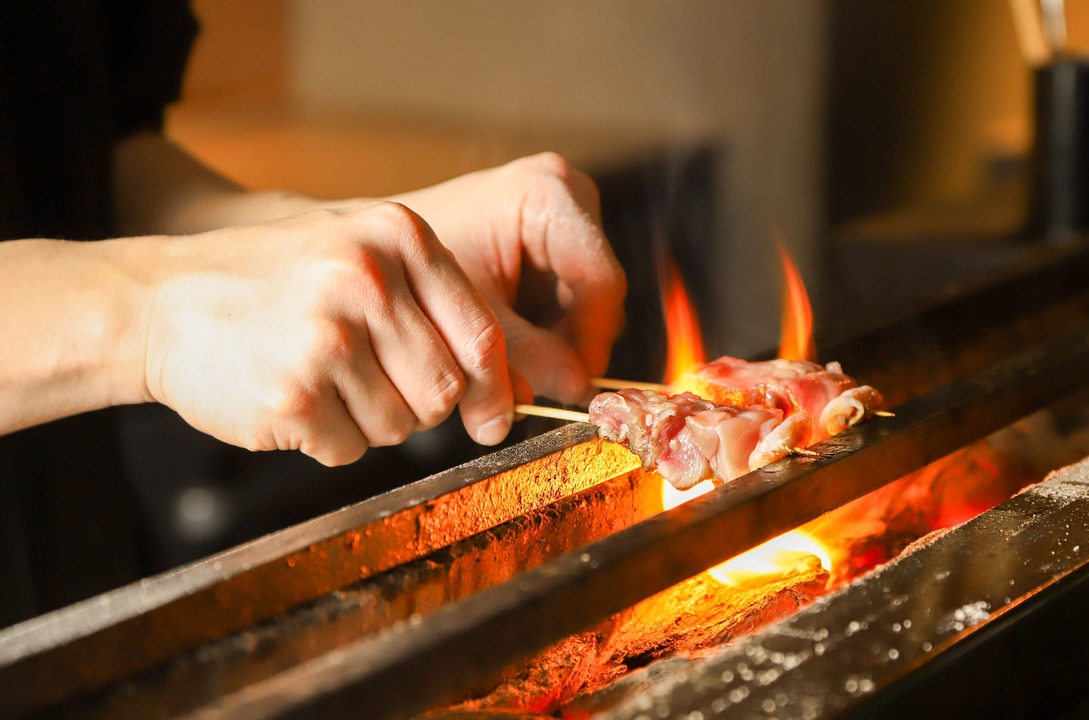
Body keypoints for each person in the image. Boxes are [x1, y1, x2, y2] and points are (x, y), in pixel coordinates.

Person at [0, 2, 625, 623]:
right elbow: (142, 287)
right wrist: (146, 316)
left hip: (82, 568)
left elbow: (86, 161)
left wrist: (389, 245)